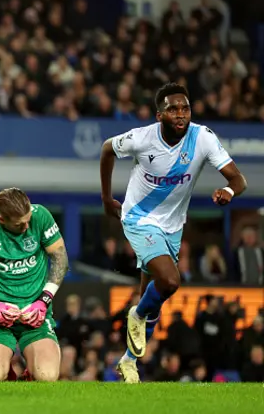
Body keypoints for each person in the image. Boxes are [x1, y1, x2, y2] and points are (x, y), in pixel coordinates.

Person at [100, 82, 247, 383]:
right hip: (139, 218)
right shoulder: (142, 139)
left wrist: (230, 190)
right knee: (168, 282)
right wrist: (105, 198)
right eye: (173, 109)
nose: (181, 114)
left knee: (150, 299)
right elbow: (106, 150)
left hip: (173, 226)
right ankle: (136, 315)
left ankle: (129, 361)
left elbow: (239, 179)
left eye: (185, 108)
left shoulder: (202, 138)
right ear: (159, 115)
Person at [0, 188, 68, 381]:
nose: (26, 226)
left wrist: (44, 301)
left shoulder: (40, 216)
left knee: (47, 376)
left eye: (28, 219)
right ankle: (6, 372)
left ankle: (31, 373)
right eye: (19, 224)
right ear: (2, 220)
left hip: (36, 316)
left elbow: (61, 260)